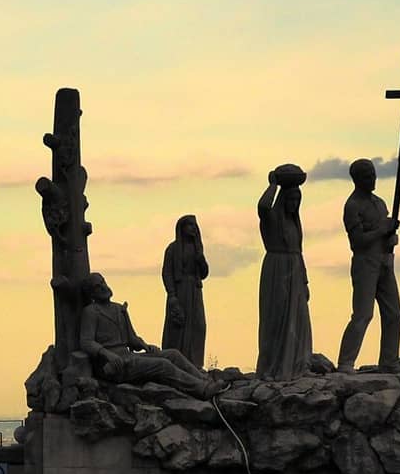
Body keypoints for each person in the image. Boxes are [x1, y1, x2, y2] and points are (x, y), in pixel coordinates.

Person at [78, 273, 226, 399]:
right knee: (162, 365)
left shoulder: (119, 309)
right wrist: (106, 354)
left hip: (129, 356)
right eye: (98, 286)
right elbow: (86, 342)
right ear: (91, 293)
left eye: (103, 282)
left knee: (172, 354)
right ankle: (202, 390)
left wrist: (145, 346)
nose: (104, 287)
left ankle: (206, 380)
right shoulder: (91, 312)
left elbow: (131, 339)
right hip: (114, 365)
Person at [336, 158, 400, 371]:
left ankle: (389, 361)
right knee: (363, 314)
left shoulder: (379, 203)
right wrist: (382, 230)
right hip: (365, 263)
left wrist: (390, 237)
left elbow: (385, 234)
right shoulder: (353, 206)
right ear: (357, 180)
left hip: (384, 262)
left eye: (373, 175)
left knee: (394, 314)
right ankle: (346, 362)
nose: (372, 179)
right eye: (367, 176)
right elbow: (357, 242)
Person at [256, 164, 312, 380]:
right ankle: (272, 367)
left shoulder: (294, 223)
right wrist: (273, 185)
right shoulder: (272, 219)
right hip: (276, 269)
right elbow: (262, 206)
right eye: (289, 200)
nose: (293, 204)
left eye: (297, 201)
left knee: (298, 320)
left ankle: (297, 364)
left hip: (295, 270)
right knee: (276, 318)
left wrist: (305, 282)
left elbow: (299, 252)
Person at [161, 215, 209, 367]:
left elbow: (204, 274)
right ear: (181, 228)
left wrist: (201, 259)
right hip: (179, 290)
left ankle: (195, 364)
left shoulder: (198, 248)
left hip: (195, 290)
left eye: (194, 225)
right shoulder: (173, 248)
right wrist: (172, 295)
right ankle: (176, 363)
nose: (193, 228)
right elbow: (167, 272)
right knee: (178, 327)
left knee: (198, 325)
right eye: (189, 225)